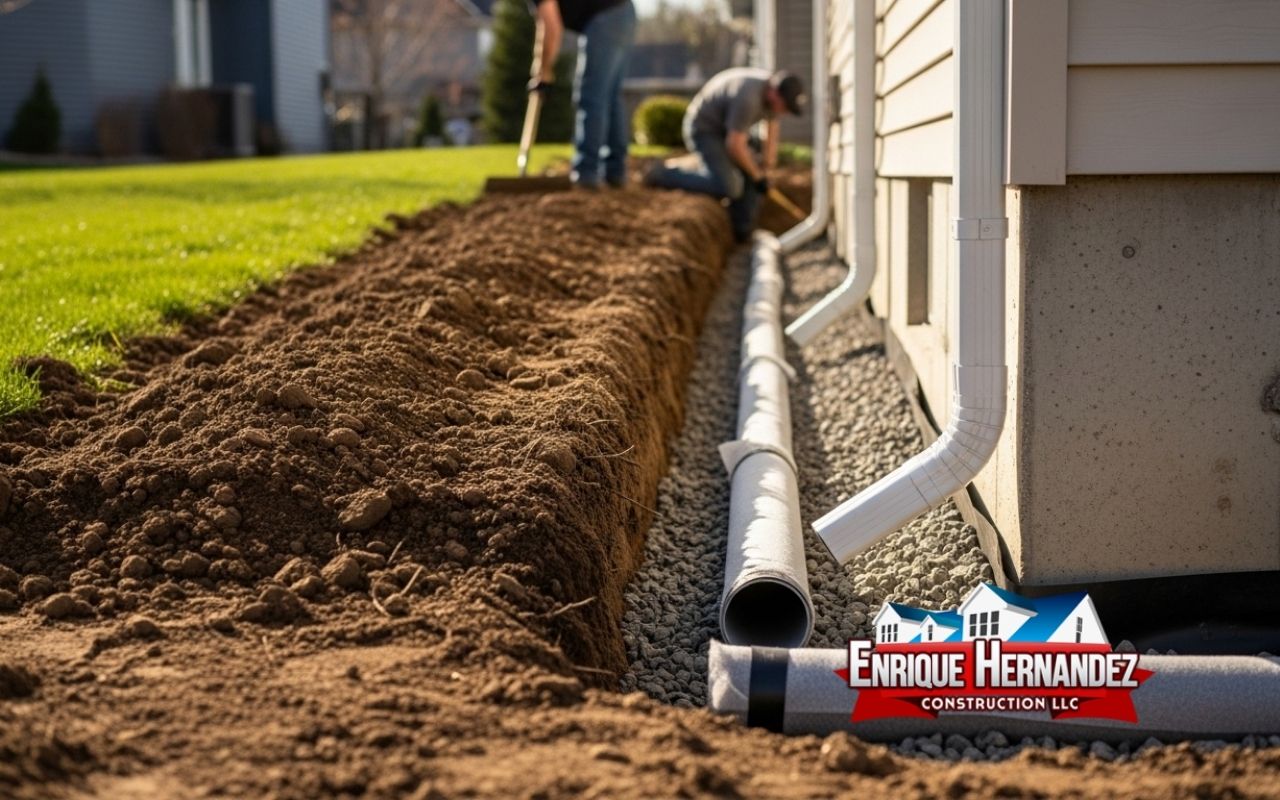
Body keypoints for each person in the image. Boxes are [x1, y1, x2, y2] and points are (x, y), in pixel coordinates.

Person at [644, 68, 806, 241]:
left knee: (754, 172)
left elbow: (771, 132)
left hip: (727, 132)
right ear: (775, 93)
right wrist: (758, 177)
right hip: (704, 131)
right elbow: (734, 145)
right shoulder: (748, 98)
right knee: (729, 187)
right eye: (785, 107)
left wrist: (766, 167)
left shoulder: (773, 100)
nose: (784, 112)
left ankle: (742, 231)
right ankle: (662, 174)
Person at [529, 0, 636, 188]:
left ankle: (586, 172)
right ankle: (615, 171)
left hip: (605, 18)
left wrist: (544, 71)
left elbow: (552, 27)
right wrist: (541, 65)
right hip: (624, 12)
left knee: (591, 97)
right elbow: (544, 24)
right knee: (611, 97)